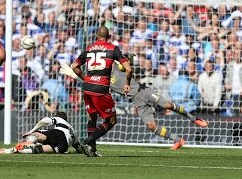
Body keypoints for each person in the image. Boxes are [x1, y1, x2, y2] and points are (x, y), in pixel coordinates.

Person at [60, 54, 208, 151]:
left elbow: (127, 62)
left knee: (168, 105)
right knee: (151, 126)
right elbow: (86, 80)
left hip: (144, 91)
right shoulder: (102, 80)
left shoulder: (113, 66)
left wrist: (128, 58)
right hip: (136, 101)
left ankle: (194, 119)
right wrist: (73, 74)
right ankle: (177, 140)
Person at [70, 26, 132, 157]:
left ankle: (92, 150)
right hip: (101, 88)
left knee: (92, 117)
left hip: (87, 87)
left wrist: (86, 78)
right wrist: (127, 84)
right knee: (111, 121)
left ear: (96, 36)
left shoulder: (89, 48)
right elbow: (129, 69)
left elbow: (74, 66)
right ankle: (88, 141)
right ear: (108, 36)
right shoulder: (113, 48)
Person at [0, 111, 81, 154]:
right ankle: (10, 150)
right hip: (63, 147)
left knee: (36, 134)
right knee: (39, 150)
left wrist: (31, 131)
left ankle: (29, 142)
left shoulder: (59, 119)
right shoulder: (72, 131)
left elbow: (45, 120)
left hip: (60, 134)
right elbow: (79, 148)